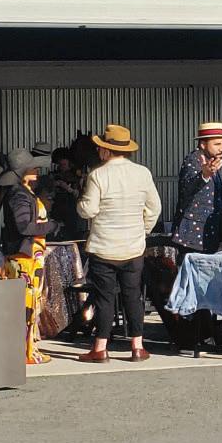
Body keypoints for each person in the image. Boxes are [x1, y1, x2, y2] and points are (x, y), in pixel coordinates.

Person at [76, 124, 162, 363]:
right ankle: (137, 347)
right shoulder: (142, 173)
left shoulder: (97, 175)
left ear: (106, 150)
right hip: (133, 247)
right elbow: (155, 207)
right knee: (133, 296)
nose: (98, 151)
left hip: (103, 246)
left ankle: (100, 349)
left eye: (100, 148)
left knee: (104, 298)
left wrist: (79, 204)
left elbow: (88, 210)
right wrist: (142, 230)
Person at [0, 148, 57, 365]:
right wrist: (51, 226)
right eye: (32, 167)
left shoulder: (21, 192)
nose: (37, 170)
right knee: (26, 306)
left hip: (28, 258)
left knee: (29, 305)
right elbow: (24, 226)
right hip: (24, 259)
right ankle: (26, 352)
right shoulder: (19, 195)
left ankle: (27, 349)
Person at [173, 122, 222, 252]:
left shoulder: (211, 161)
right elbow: (186, 189)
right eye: (217, 144)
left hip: (209, 233)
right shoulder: (194, 160)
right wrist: (204, 175)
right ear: (203, 144)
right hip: (193, 237)